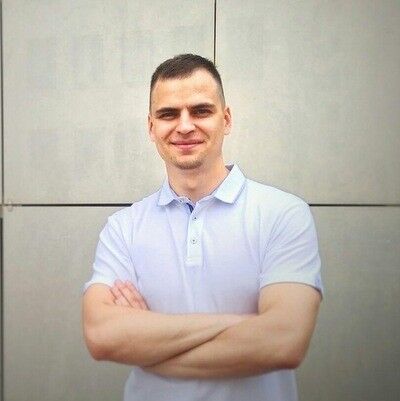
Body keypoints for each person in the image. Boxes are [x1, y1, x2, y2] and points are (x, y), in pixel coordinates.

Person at [82, 54, 323, 401]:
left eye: (200, 111)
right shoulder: (123, 228)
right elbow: (101, 336)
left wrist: (148, 343)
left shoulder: (282, 214)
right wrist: (245, 325)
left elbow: (284, 342)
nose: (184, 126)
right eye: (168, 114)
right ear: (151, 127)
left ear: (226, 119)